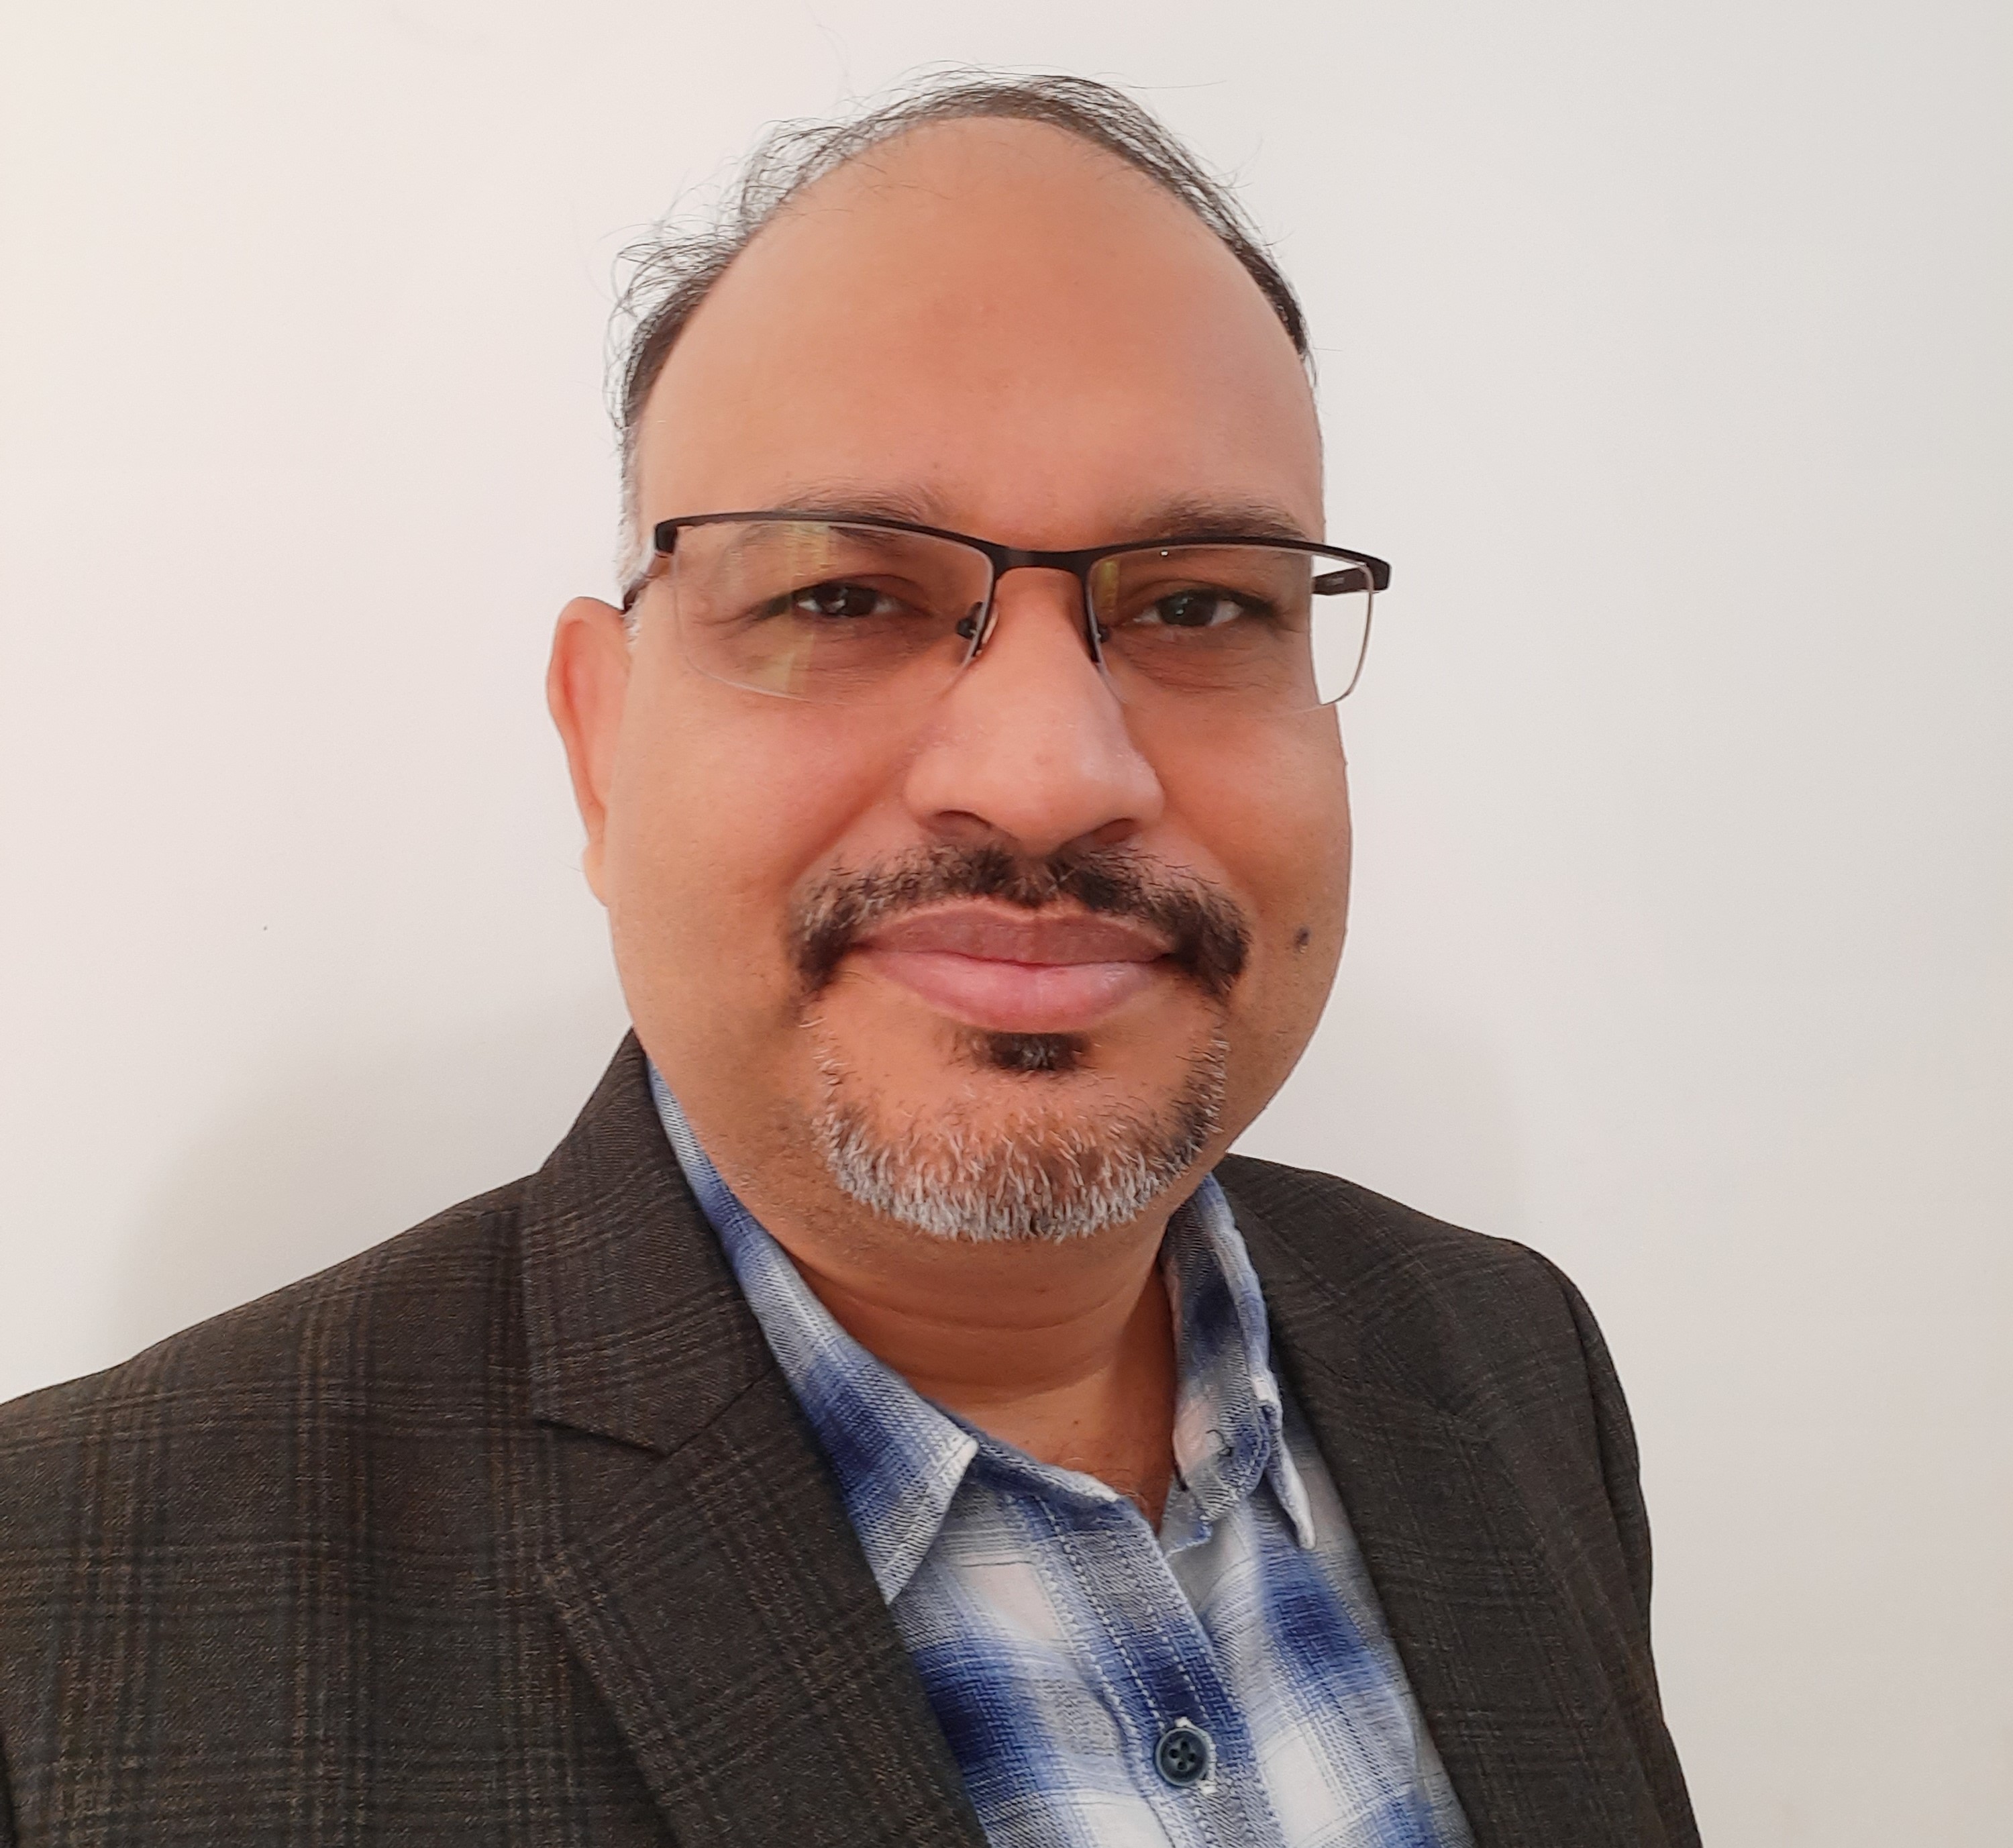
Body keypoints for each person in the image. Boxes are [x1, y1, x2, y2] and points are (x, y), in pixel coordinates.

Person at [0, 73, 1696, 1848]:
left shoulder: (1512, 1363)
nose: (1047, 773)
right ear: (603, 747)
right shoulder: (62, 1628)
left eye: (1200, 604)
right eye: (840, 597)